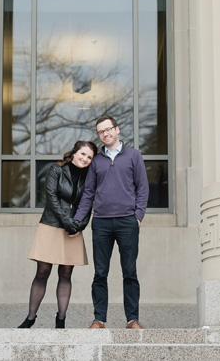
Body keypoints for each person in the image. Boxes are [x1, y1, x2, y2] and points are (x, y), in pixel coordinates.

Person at [73, 115, 148, 329]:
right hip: (102, 223)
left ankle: (132, 319)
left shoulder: (134, 156)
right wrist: (78, 220)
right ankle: (99, 319)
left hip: (127, 222)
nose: (105, 134)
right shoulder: (96, 160)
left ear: (117, 130)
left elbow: (143, 188)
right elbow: (88, 193)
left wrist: (138, 217)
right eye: (101, 132)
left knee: (130, 272)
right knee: (100, 274)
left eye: (108, 129)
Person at [18, 140, 96, 329]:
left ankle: (60, 320)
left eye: (89, 157)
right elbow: (51, 198)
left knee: (66, 274)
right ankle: (30, 318)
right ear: (74, 152)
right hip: (51, 225)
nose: (85, 159)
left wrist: (80, 225)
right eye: (83, 154)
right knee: (42, 272)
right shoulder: (57, 170)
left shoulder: (89, 178)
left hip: (73, 229)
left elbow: (87, 204)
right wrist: (67, 222)